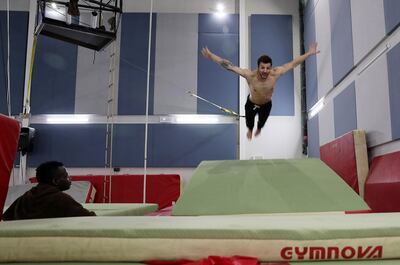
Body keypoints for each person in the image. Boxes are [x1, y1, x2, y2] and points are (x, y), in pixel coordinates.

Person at [201, 43, 319, 140]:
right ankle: (250, 130)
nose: (265, 71)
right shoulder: (250, 75)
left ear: (271, 67)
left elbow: (293, 63)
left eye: (268, 68)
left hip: (267, 104)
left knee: (261, 122)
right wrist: (211, 56)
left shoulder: (275, 73)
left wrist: (309, 53)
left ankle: (258, 128)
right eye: (262, 67)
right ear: (258, 67)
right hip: (252, 103)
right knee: (250, 123)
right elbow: (229, 66)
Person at [3, 161, 95, 220]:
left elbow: (6, 216)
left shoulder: (26, 196)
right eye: (66, 177)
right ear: (55, 181)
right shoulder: (61, 199)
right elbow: (89, 217)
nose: (69, 178)